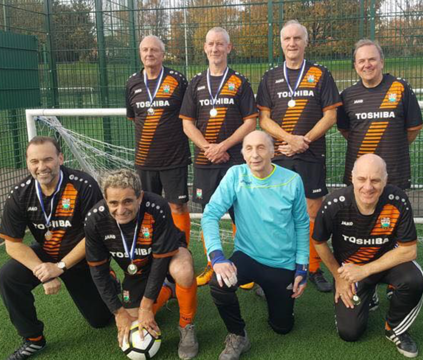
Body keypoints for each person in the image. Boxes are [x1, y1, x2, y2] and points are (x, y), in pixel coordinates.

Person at [0, 136, 113, 360]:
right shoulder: (20, 193)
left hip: (82, 258)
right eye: (35, 161)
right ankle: (33, 339)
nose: (42, 167)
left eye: (48, 159)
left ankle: (108, 279)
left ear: (60, 158)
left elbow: (94, 237)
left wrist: (60, 267)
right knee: (8, 276)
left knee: (100, 321)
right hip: (48, 255)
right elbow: (12, 245)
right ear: (28, 163)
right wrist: (43, 270)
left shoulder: (84, 184)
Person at [202, 130, 309, 360]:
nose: (255, 154)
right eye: (249, 148)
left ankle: (268, 288)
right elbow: (210, 214)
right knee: (219, 282)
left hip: (282, 262)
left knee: (282, 327)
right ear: (242, 153)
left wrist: (302, 267)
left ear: (272, 151)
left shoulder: (292, 181)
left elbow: (301, 224)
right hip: (247, 256)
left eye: (261, 147)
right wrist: (217, 257)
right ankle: (238, 335)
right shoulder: (235, 175)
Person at [312, 154, 423, 358]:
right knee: (350, 333)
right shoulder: (334, 204)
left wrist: (364, 270)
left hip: (385, 265)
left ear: (385, 180)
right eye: (362, 179)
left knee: (414, 280)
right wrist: (338, 277)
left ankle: (395, 329)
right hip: (351, 271)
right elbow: (319, 242)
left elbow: (409, 250)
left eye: (375, 180)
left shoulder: (397, 200)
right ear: (352, 178)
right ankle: (368, 292)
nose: (368, 187)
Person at [257, 20, 342, 292]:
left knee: (312, 212)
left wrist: (304, 141)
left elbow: (331, 115)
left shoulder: (320, 73)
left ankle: (313, 268)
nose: (292, 43)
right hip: (280, 153)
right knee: (277, 213)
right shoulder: (270, 77)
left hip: (311, 153)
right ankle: (278, 267)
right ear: (280, 43)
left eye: (297, 38)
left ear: (306, 42)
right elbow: (264, 119)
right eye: (287, 39)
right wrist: (290, 139)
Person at [84, 169, 199, 360]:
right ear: (105, 199)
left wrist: (146, 306)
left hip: (167, 255)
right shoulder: (94, 219)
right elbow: (98, 271)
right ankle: (169, 290)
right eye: (113, 203)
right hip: (136, 266)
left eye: (128, 201)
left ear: (140, 197)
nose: (120, 210)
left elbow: (160, 260)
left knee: (183, 271)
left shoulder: (157, 207)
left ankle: (186, 325)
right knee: (133, 320)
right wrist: (118, 312)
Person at [179, 27, 257, 287]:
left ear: (229, 47)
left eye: (220, 44)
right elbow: (187, 123)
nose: (215, 49)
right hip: (205, 162)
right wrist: (207, 148)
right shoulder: (196, 83)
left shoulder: (239, 82)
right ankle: (213, 264)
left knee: (241, 213)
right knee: (208, 214)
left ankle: (243, 266)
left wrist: (223, 146)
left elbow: (250, 122)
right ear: (204, 48)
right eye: (211, 44)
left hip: (234, 161)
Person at [125, 35, 192, 245]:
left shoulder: (178, 80)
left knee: (177, 207)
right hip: (145, 161)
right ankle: (152, 251)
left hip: (174, 159)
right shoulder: (132, 82)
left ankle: (182, 250)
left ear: (163, 54)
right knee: (146, 207)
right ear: (140, 54)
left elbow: (188, 116)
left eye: (154, 50)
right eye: (145, 50)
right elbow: (133, 117)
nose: (149, 54)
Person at [337, 39, 423, 191]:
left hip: (394, 173)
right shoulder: (347, 95)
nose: (367, 65)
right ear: (355, 66)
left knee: (392, 214)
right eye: (361, 61)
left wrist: (394, 145)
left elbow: (413, 128)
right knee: (359, 214)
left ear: (382, 62)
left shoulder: (400, 88)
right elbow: (345, 130)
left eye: (372, 59)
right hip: (360, 175)